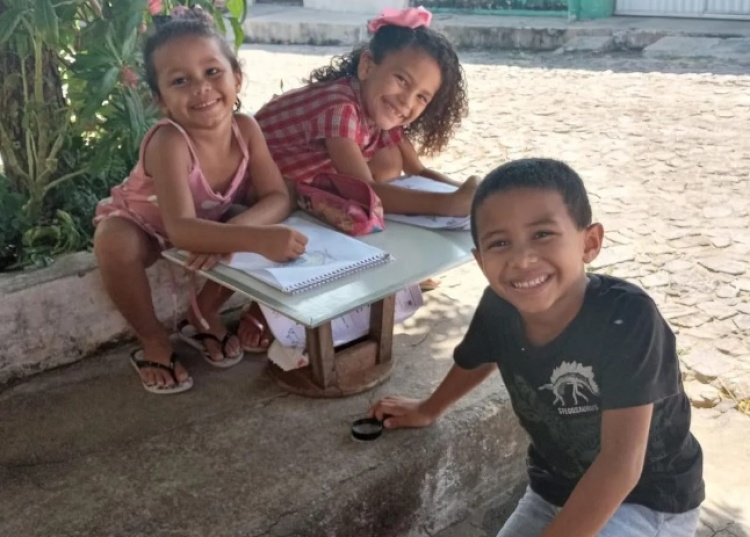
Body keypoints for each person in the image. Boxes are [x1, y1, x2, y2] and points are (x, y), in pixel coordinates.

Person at [369, 158, 704, 536]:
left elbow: (620, 466)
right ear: (480, 261)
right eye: (499, 242)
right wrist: (429, 409)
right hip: (552, 487)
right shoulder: (499, 308)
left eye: (542, 234)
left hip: (649, 498)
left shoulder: (627, 318)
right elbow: (477, 358)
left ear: (589, 242)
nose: (522, 259)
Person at [94, 9, 307, 395]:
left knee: (252, 215)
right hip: (147, 226)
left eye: (212, 72)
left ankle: (202, 313)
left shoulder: (247, 129)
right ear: (160, 100)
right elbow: (180, 229)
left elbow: (278, 196)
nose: (201, 88)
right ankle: (154, 340)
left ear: (237, 78)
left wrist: (234, 231)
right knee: (112, 239)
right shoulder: (169, 141)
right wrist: (253, 240)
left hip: (207, 224)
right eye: (180, 80)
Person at [256, 7, 476, 291]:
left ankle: (398, 267)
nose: (406, 102)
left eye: (421, 97)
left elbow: (418, 170)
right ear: (367, 66)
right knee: (364, 205)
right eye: (402, 80)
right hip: (247, 184)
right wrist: (451, 204)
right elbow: (368, 193)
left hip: (290, 184)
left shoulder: (377, 106)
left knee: (389, 159)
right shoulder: (340, 107)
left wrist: (474, 194)